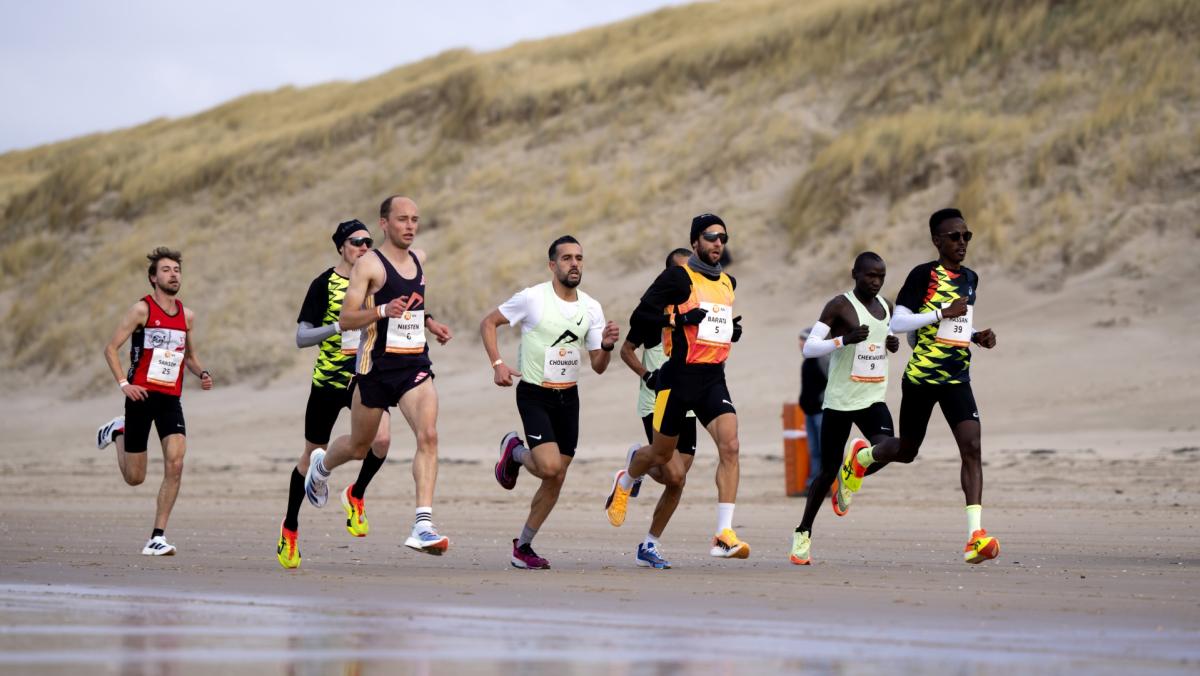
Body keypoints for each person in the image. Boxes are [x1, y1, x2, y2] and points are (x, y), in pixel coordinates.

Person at [837, 209, 999, 565]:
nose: (961, 243)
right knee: (907, 451)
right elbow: (898, 323)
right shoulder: (923, 275)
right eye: (954, 237)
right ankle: (861, 457)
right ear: (937, 241)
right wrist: (941, 312)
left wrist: (976, 336)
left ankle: (975, 536)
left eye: (966, 236)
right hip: (921, 379)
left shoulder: (971, 278)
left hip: (957, 377)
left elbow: (953, 329)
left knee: (972, 446)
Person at [303, 196, 454, 555]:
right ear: (384, 223)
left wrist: (429, 322)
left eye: (415, 219)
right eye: (402, 219)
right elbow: (346, 319)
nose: (410, 226)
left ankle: (423, 525)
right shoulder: (369, 265)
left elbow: (412, 302)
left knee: (428, 435)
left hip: (414, 365)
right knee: (359, 446)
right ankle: (321, 467)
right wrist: (383, 310)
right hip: (375, 368)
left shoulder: (420, 259)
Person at [605, 213, 750, 560]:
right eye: (711, 237)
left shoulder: (728, 282)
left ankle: (723, 534)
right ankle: (627, 479)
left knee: (730, 446)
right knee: (661, 455)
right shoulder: (677, 277)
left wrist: (730, 331)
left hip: (713, 378)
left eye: (723, 238)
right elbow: (640, 317)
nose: (718, 243)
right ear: (696, 241)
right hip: (678, 378)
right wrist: (679, 319)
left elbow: (713, 326)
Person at [481, 235, 620, 569]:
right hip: (534, 394)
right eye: (568, 258)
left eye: (579, 258)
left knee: (556, 477)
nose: (575, 264)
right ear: (553, 265)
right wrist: (497, 364)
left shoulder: (591, 307)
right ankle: (514, 450)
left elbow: (599, 366)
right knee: (549, 467)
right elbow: (489, 323)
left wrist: (607, 345)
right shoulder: (533, 298)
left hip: (568, 397)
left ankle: (523, 546)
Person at [276, 220, 392, 570]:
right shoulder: (324, 283)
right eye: (357, 242)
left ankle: (356, 494)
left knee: (382, 440)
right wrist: (338, 326)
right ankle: (290, 528)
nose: (364, 247)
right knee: (311, 453)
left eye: (368, 242)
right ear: (342, 246)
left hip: (366, 376)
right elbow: (301, 338)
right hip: (328, 379)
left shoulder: (377, 281)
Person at [96, 247, 214, 556]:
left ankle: (157, 536)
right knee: (135, 478)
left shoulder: (187, 316)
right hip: (140, 396)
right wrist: (124, 384)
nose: (173, 274)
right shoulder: (141, 310)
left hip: (170, 399)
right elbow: (111, 348)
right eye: (166, 270)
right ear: (153, 277)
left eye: (176, 270)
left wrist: (201, 372)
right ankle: (117, 432)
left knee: (176, 463)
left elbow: (188, 355)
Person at [789, 252, 899, 565]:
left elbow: (883, 335)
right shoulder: (839, 305)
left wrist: (891, 342)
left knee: (892, 448)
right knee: (825, 473)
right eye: (870, 276)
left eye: (881, 276)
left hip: (872, 396)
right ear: (855, 274)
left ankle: (853, 470)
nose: (876, 282)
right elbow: (810, 349)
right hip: (839, 402)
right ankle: (803, 533)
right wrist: (843, 340)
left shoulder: (886, 306)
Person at [617, 247, 696, 569]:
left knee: (675, 479)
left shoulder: (697, 312)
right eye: (681, 272)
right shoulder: (653, 315)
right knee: (676, 476)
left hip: (690, 402)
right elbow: (626, 350)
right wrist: (647, 375)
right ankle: (638, 465)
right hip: (657, 401)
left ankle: (648, 544)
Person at [797, 326, 829, 495]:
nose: (800, 344)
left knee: (825, 451)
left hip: (822, 412)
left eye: (803, 340)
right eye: (800, 340)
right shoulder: (807, 361)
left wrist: (822, 400)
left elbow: (833, 379)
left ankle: (825, 486)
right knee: (814, 451)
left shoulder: (822, 358)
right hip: (810, 413)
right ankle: (814, 486)